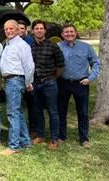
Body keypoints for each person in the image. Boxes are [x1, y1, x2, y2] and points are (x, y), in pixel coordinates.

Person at [58, 23, 100, 148]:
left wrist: (90, 78)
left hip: (81, 83)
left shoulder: (86, 47)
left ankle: (84, 139)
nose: (69, 34)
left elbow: (96, 63)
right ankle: (61, 136)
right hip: (63, 83)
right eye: (66, 32)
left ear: (76, 33)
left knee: (83, 112)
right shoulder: (58, 46)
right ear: (62, 34)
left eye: (71, 31)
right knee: (61, 111)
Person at [0, 19, 35, 155]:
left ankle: (13, 146)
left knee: (12, 113)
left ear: (18, 29)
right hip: (9, 80)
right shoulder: (8, 44)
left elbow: (29, 66)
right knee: (18, 112)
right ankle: (25, 141)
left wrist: (28, 82)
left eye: (11, 29)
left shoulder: (22, 45)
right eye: (6, 29)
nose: (8, 31)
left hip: (15, 80)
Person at [30, 20, 65, 150]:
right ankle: (40, 135)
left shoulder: (53, 46)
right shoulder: (31, 46)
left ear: (45, 31)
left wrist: (53, 78)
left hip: (49, 82)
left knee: (52, 111)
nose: (39, 30)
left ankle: (54, 139)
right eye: (36, 28)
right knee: (38, 110)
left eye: (41, 28)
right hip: (35, 83)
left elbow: (60, 65)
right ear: (33, 31)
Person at [18, 19, 36, 135]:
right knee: (20, 104)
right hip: (18, 78)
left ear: (25, 30)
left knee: (31, 104)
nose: (20, 31)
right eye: (18, 28)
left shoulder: (30, 42)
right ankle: (21, 126)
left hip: (28, 77)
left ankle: (33, 128)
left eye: (22, 29)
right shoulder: (12, 42)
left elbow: (30, 62)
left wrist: (29, 80)